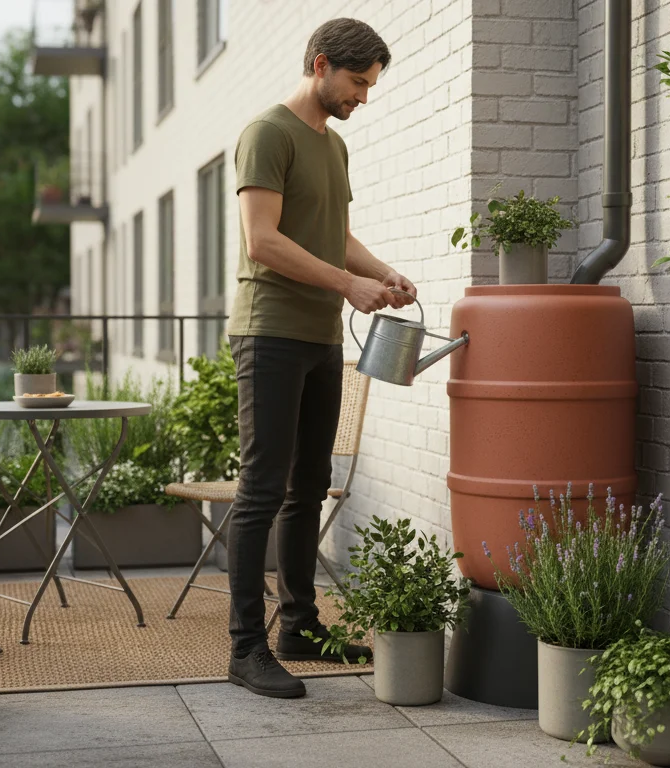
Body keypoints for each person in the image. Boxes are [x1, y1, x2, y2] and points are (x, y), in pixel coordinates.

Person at [225, 17, 415, 699]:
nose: (363, 97)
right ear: (322, 64)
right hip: (270, 332)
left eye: (369, 86)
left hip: (321, 337)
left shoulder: (331, 149)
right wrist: (349, 286)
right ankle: (245, 649)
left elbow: (335, 236)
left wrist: (384, 275)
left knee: (309, 486)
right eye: (357, 82)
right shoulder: (268, 133)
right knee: (261, 490)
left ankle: (298, 627)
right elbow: (262, 241)